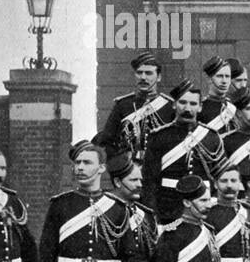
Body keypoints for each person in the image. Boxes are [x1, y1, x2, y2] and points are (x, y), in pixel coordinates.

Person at [141, 80, 226, 223]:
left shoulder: (211, 137)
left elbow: (220, 177)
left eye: (193, 104)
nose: (187, 108)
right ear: (174, 104)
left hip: (202, 207)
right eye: (182, 102)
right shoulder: (159, 137)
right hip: (168, 206)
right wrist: (151, 213)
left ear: (200, 107)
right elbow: (149, 180)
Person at [94, 52, 174, 159]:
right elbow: (106, 143)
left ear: (158, 77)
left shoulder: (169, 106)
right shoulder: (123, 105)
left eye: (148, 73)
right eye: (139, 73)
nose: (143, 77)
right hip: (129, 168)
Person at [198, 55, 236, 134]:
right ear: (209, 79)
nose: (224, 81)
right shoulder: (200, 108)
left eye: (227, 76)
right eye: (219, 76)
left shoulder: (233, 107)